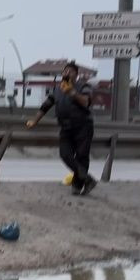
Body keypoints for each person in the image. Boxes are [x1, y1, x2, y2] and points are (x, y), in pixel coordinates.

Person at [26, 61, 97, 195]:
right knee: (65, 154)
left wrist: (72, 92)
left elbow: (86, 102)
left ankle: (77, 186)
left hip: (83, 126)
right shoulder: (58, 88)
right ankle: (88, 179)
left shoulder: (83, 86)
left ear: (76, 74)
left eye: (70, 71)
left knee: (82, 156)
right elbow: (46, 106)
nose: (67, 73)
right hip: (66, 127)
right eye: (65, 71)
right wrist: (34, 121)